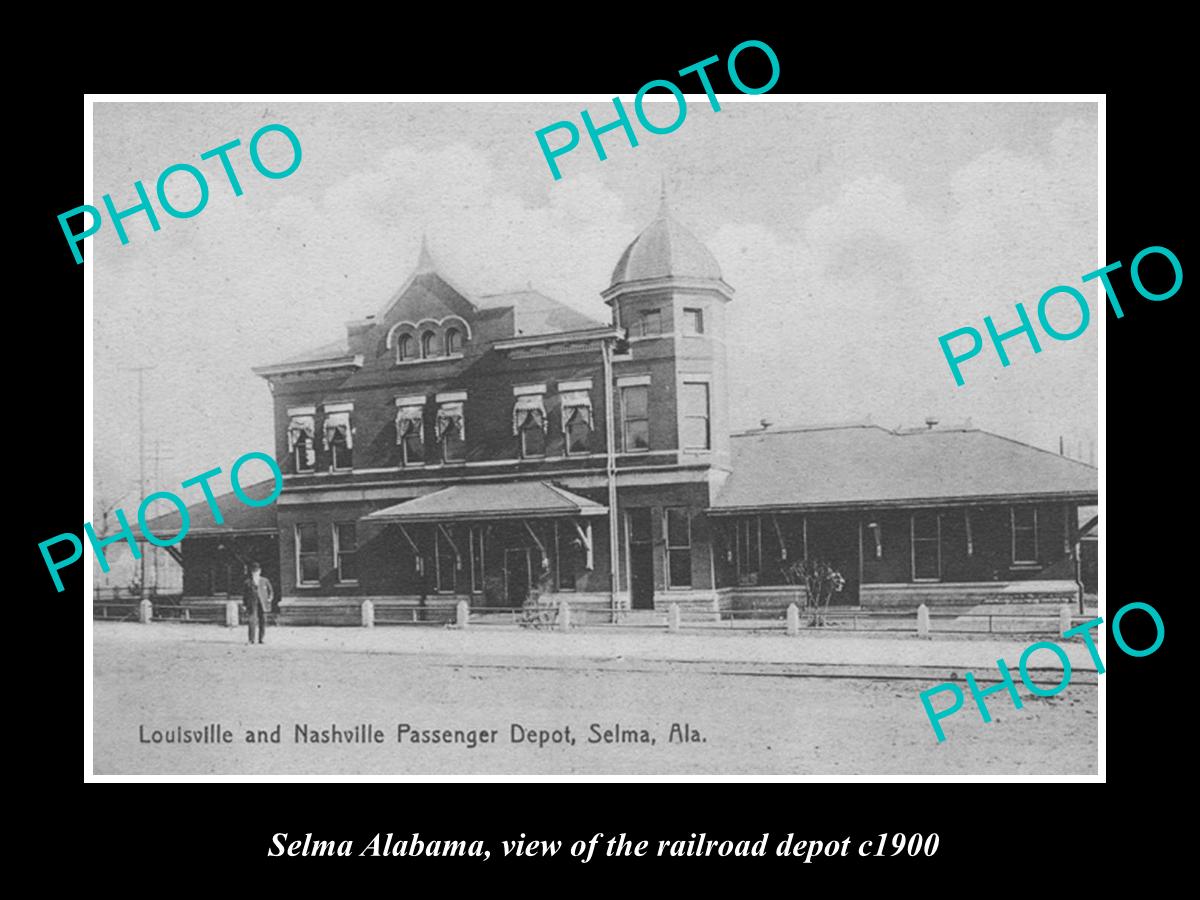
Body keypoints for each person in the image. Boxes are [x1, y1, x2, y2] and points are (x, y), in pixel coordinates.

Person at [242, 561, 274, 645]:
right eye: (253, 571)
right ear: (251, 572)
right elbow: (244, 595)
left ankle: (261, 639)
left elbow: (270, 591)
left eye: (257, 571)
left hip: (263, 603)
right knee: (252, 620)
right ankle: (251, 639)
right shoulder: (247, 582)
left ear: (260, 571)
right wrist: (244, 605)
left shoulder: (265, 581)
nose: (255, 573)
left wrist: (270, 598)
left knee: (263, 621)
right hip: (252, 604)